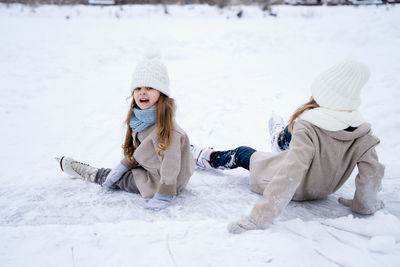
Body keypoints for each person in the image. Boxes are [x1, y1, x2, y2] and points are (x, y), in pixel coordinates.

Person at [191, 60, 385, 234]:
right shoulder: (362, 133)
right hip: (323, 189)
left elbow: (290, 173)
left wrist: (259, 217)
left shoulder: (307, 127)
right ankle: (280, 138)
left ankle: (206, 156)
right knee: (295, 130)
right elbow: (372, 173)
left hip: (297, 188)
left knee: (243, 153)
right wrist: (364, 204)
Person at [57, 51, 195, 211]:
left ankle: (94, 174)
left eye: (150, 87)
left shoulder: (168, 130)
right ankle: (112, 173)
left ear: (162, 94)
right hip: (154, 169)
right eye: (138, 88)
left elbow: (170, 166)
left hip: (162, 182)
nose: (142, 92)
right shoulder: (142, 120)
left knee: (122, 179)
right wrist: (123, 165)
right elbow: (142, 150)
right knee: (120, 173)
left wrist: (165, 194)